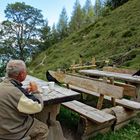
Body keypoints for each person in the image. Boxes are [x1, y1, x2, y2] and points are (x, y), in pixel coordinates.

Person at [0, 60, 49, 140]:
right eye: (26, 71)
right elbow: (38, 106)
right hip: (10, 132)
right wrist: (35, 91)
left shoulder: (3, 85)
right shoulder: (15, 92)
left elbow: (14, 96)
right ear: (22, 74)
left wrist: (24, 92)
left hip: (3, 126)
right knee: (43, 129)